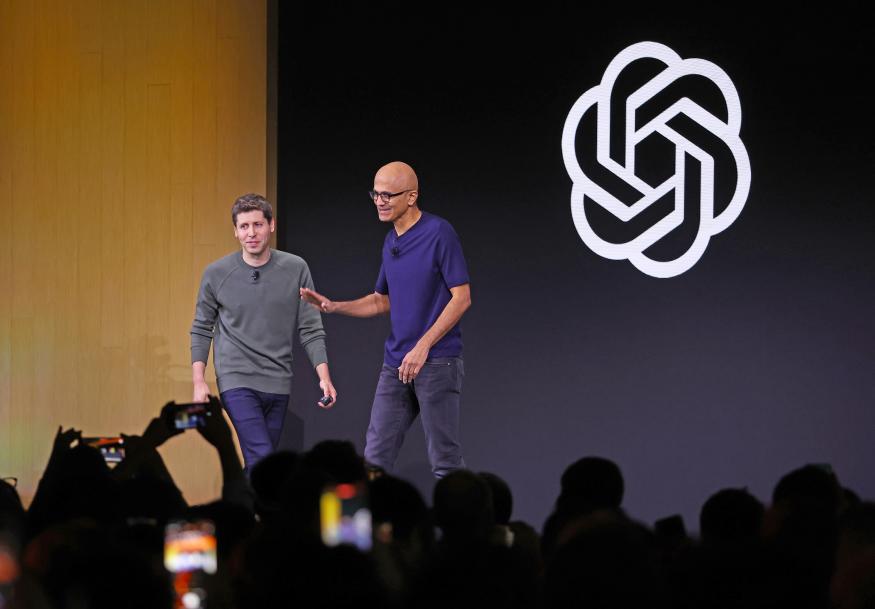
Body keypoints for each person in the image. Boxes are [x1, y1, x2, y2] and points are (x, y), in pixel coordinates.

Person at [300, 162, 471, 478]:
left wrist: (423, 346)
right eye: (375, 194)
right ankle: (368, 527)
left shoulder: (438, 233)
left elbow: (462, 297)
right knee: (374, 460)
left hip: (436, 362)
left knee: (445, 462)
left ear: (411, 196)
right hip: (396, 364)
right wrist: (333, 306)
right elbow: (381, 301)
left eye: (387, 195)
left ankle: (465, 526)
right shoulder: (390, 241)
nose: (379, 201)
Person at [191, 193, 337, 474]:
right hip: (236, 379)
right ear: (235, 231)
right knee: (262, 458)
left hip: (278, 380)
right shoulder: (216, 273)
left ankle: (245, 513)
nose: (251, 233)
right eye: (244, 226)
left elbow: (310, 327)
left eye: (257, 224)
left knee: (260, 466)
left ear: (271, 225)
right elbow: (201, 327)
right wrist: (199, 381)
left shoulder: (295, 268)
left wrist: (324, 377)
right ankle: (263, 516)